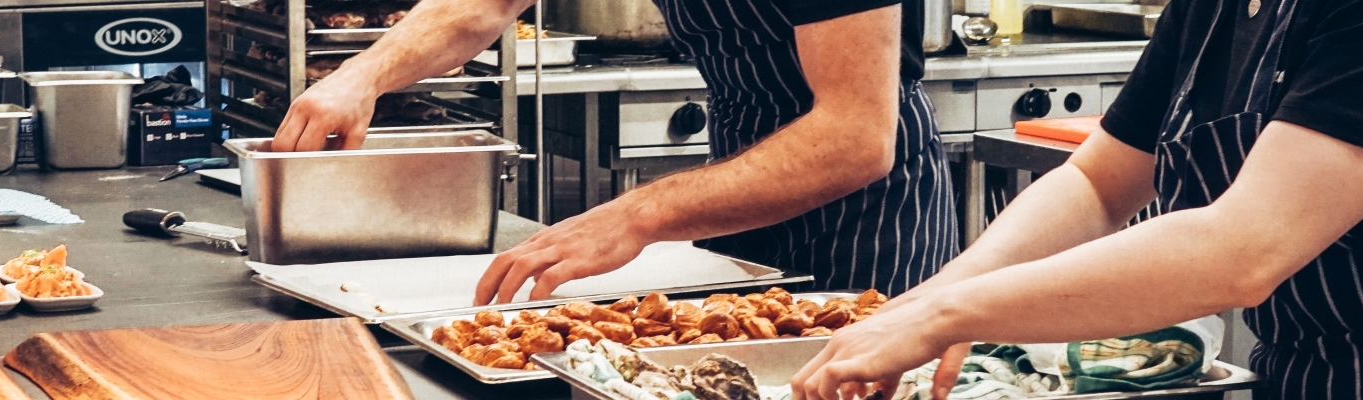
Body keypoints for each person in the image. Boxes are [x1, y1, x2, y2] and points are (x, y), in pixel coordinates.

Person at [789, 0, 1363, 398]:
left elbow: (1243, 248)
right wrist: (935, 302)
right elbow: (1099, 182)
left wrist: (951, 314)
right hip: (1317, 370)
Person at [268, 0, 958, 303]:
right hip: (738, 186)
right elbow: (477, 7)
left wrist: (638, 215)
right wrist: (363, 75)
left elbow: (855, 138)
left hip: (868, 223)